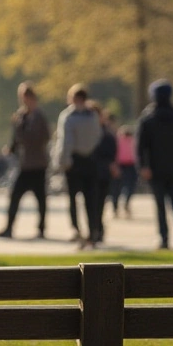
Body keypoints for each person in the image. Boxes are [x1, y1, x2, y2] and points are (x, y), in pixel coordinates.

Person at [137, 79, 173, 250]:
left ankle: (164, 238)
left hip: (155, 169)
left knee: (160, 205)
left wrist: (143, 166)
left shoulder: (148, 119)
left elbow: (140, 146)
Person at [0, 82, 51, 239]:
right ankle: (9, 227)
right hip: (24, 163)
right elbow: (16, 139)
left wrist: (24, 133)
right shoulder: (20, 116)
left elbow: (43, 137)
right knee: (15, 196)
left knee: (41, 198)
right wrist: (11, 148)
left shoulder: (39, 117)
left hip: (38, 164)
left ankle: (41, 229)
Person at [52, 84, 102, 244]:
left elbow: (66, 141)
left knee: (73, 198)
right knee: (90, 198)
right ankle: (93, 229)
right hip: (90, 160)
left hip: (74, 161)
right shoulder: (93, 116)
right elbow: (97, 136)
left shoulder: (68, 117)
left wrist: (62, 162)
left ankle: (76, 228)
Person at [87, 106, 118, 248]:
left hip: (102, 174)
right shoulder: (91, 132)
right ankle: (95, 230)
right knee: (92, 204)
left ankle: (97, 230)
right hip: (92, 173)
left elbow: (111, 152)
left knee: (99, 204)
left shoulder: (106, 134)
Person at [110, 126, 138, 219]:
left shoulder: (131, 141)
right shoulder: (118, 141)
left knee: (124, 187)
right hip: (123, 165)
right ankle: (118, 206)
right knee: (119, 188)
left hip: (127, 165)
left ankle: (121, 205)